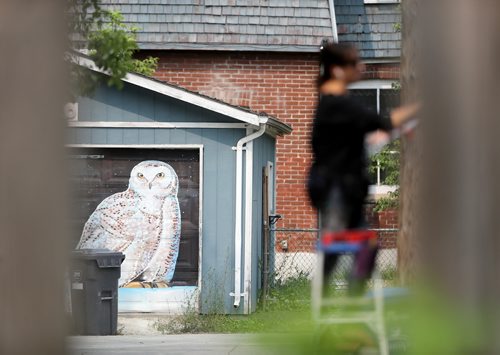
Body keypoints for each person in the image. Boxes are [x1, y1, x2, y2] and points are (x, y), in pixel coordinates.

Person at [308, 41, 419, 294]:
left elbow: (362, 132)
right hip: (336, 190)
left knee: (360, 246)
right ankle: (342, 302)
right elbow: (382, 121)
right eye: (355, 63)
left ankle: (341, 301)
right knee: (343, 244)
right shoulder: (338, 104)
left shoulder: (334, 103)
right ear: (337, 69)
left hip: (343, 189)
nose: (362, 66)